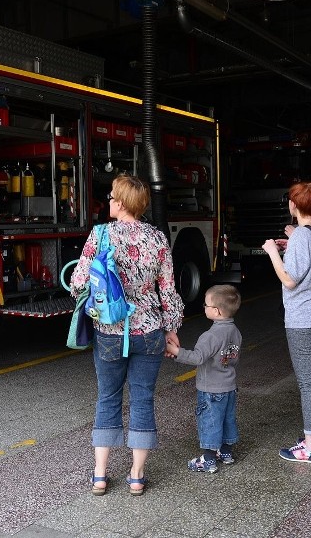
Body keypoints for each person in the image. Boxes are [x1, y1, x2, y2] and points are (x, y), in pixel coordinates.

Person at [69, 174, 184, 496]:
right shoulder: (158, 238)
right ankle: (136, 475)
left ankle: (101, 475)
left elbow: (79, 282)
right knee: (143, 399)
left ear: (120, 202)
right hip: (149, 330)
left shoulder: (101, 234)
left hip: (110, 329)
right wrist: (172, 329)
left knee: (108, 398)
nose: (108, 202)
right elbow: (168, 290)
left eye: (111, 197)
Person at [262, 181, 311, 464]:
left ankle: (310, 447)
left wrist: (272, 251)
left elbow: (290, 280)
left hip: (302, 319)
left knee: (308, 384)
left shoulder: (302, 237)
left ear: (294, 205)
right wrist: (290, 245)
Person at [165, 284, 242, 474]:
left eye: (206, 305)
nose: (204, 308)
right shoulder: (235, 332)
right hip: (229, 386)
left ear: (216, 311)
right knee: (227, 419)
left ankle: (208, 459)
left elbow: (197, 357)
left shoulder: (211, 335)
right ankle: (226, 452)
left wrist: (176, 352)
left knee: (210, 421)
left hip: (211, 389)